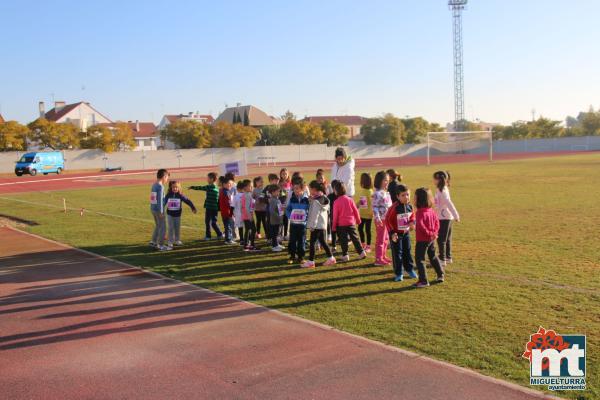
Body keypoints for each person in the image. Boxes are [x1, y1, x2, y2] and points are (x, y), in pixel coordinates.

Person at [384, 184, 417, 281]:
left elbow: (412, 216)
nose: (406, 197)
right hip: (396, 235)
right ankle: (399, 273)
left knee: (407, 251)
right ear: (398, 196)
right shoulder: (394, 207)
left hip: (406, 234)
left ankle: (410, 269)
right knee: (397, 254)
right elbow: (387, 220)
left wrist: (412, 223)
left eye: (407, 194)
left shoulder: (410, 206)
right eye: (403, 195)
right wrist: (392, 233)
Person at [413, 187, 445, 288]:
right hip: (431, 239)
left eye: (415, 197)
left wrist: (429, 233)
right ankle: (440, 275)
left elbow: (421, 225)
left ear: (419, 199)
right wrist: (434, 233)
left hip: (423, 239)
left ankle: (423, 281)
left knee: (420, 259)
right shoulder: (431, 210)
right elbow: (437, 223)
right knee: (433, 256)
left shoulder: (419, 212)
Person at [302, 180, 336, 268]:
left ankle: (311, 261)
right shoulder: (323, 198)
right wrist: (312, 201)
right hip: (323, 225)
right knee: (323, 242)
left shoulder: (316, 202)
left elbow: (315, 214)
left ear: (314, 189)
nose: (309, 191)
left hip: (316, 226)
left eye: (310, 189)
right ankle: (331, 258)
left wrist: (312, 226)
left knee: (312, 243)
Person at [332, 181, 366, 262]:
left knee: (343, 241)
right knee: (355, 238)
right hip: (351, 223)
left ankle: (345, 255)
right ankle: (361, 252)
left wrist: (333, 227)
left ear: (336, 191)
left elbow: (335, 216)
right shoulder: (350, 199)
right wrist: (358, 220)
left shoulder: (336, 202)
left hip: (342, 225)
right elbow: (355, 211)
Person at [433, 171, 460, 266]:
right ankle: (448, 257)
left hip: (444, 218)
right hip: (444, 216)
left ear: (439, 179)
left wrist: (456, 215)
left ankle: (442, 259)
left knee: (441, 239)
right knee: (447, 239)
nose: (433, 180)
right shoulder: (440, 189)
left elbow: (449, 203)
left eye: (434, 178)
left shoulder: (442, 191)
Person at [189, 172, 223, 240]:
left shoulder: (210, 186)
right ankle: (216, 235)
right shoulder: (216, 187)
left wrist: (192, 187)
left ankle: (212, 236)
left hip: (211, 208)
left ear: (212, 179)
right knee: (212, 222)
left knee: (209, 222)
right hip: (213, 208)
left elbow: (201, 187)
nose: (207, 179)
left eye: (208, 178)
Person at [164, 180, 197, 247]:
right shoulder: (168, 195)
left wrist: (193, 208)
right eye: (173, 187)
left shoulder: (180, 195)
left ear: (179, 188)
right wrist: (161, 210)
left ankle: (177, 240)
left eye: (176, 187)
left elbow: (188, 201)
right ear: (171, 188)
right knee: (170, 228)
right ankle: (170, 241)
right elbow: (163, 203)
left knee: (177, 227)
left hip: (177, 215)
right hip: (170, 214)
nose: (175, 188)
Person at [285, 177, 310, 264]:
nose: (295, 190)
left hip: (302, 225)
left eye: (297, 188)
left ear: (302, 188)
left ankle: (301, 257)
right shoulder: (292, 199)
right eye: (294, 188)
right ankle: (292, 256)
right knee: (292, 240)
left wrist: (306, 218)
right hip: (293, 224)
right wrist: (290, 216)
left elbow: (309, 211)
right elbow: (288, 209)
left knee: (301, 240)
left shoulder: (307, 200)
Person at [372, 171, 393, 266]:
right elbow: (374, 207)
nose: (387, 182)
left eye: (388, 180)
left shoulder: (386, 192)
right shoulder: (377, 193)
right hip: (381, 220)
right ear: (380, 181)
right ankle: (378, 259)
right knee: (381, 239)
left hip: (387, 219)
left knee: (386, 238)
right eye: (385, 180)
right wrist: (378, 218)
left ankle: (383, 256)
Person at [150, 168, 169, 251]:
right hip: (158, 210)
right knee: (163, 227)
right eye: (167, 177)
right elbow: (160, 200)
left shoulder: (154, 185)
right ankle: (161, 245)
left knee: (158, 226)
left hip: (153, 209)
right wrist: (161, 211)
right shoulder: (160, 187)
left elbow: (153, 199)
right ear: (164, 176)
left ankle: (153, 241)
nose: (167, 179)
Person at [356, 173, 374, 252]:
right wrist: (356, 205)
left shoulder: (370, 192)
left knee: (367, 230)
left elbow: (373, 203)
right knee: (360, 229)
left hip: (369, 215)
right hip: (361, 214)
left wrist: (372, 213)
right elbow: (362, 201)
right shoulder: (363, 191)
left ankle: (368, 246)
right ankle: (363, 243)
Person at [241, 179, 259, 251]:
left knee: (247, 230)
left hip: (245, 216)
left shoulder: (244, 195)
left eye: (252, 186)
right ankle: (251, 245)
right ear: (245, 188)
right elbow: (246, 207)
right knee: (253, 230)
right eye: (250, 186)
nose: (252, 188)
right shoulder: (248, 195)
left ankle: (246, 245)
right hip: (248, 217)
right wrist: (250, 217)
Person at [267, 184, 285, 252]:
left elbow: (279, 209)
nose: (279, 193)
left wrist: (281, 215)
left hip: (278, 220)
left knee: (277, 233)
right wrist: (278, 217)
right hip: (274, 221)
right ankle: (274, 246)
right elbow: (271, 211)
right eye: (277, 191)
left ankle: (277, 244)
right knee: (274, 234)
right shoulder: (272, 200)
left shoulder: (277, 199)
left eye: (279, 191)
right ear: (272, 192)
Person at [219, 176, 235, 245]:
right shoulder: (226, 192)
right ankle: (228, 239)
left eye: (230, 184)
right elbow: (229, 203)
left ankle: (228, 239)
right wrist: (232, 212)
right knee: (228, 226)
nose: (230, 185)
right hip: (228, 212)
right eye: (228, 183)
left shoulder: (223, 191)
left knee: (227, 226)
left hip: (224, 212)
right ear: (224, 184)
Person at [279, 168, 291, 239]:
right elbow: (278, 194)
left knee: (287, 219)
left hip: (288, 204)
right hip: (281, 205)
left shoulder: (290, 183)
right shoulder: (279, 183)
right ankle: (281, 234)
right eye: (283, 174)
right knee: (281, 220)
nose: (284, 175)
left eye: (285, 174)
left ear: (288, 174)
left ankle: (286, 234)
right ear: (280, 175)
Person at [232, 180, 246, 246]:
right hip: (246, 214)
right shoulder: (246, 195)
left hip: (238, 215)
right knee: (247, 227)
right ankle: (247, 240)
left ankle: (241, 240)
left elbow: (232, 206)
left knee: (240, 227)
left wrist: (231, 213)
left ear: (237, 189)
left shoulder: (236, 196)